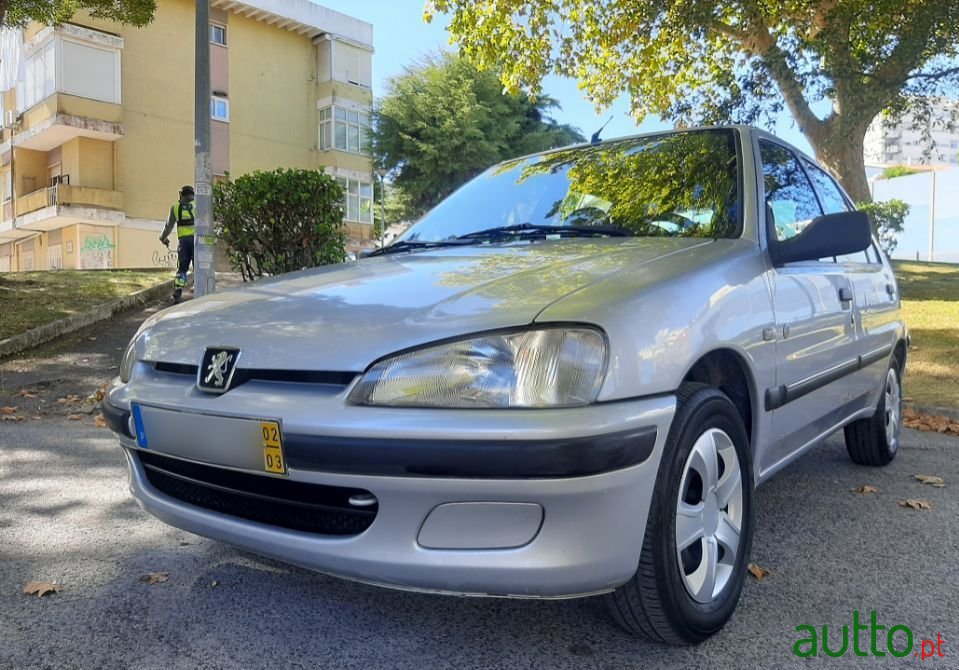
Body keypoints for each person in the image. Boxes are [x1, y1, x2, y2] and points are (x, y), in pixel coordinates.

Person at [159, 185, 195, 303]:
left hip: (183, 242)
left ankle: (178, 292)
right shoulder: (198, 206)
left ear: (181, 194)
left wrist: (163, 237)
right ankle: (199, 289)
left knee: (182, 268)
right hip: (196, 241)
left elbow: (168, 226)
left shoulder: (175, 207)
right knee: (198, 267)